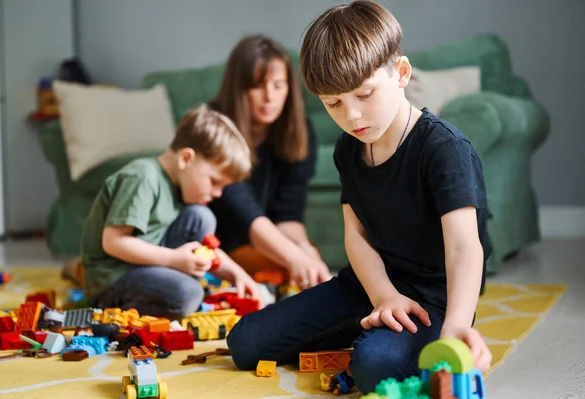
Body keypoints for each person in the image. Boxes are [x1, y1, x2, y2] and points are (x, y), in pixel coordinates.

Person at [225, 1, 492, 394]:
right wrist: (382, 295)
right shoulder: (348, 148)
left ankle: (405, 336)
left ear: (401, 73)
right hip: (369, 286)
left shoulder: (444, 148)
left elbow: (464, 245)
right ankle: (374, 326)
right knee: (245, 343)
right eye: (333, 103)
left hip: (433, 298)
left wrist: (455, 326)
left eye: (364, 94)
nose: (351, 117)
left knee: (372, 368)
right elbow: (357, 234)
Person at [80, 104, 261, 320]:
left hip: (150, 262)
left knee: (201, 217)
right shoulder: (142, 177)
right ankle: (114, 302)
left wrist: (237, 274)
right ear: (186, 158)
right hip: (114, 275)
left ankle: (170, 281)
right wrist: (174, 259)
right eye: (214, 182)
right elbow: (114, 242)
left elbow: (204, 248)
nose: (218, 193)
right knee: (187, 294)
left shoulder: (179, 186)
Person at [208, 35, 332, 289]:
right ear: (239, 88)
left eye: (279, 85)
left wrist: (304, 250)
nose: (269, 97)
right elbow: (243, 210)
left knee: (307, 255)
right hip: (222, 242)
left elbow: (289, 213)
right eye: (258, 86)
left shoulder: (300, 131)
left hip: (266, 238)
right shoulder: (213, 128)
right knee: (288, 262)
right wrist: (293, 257)